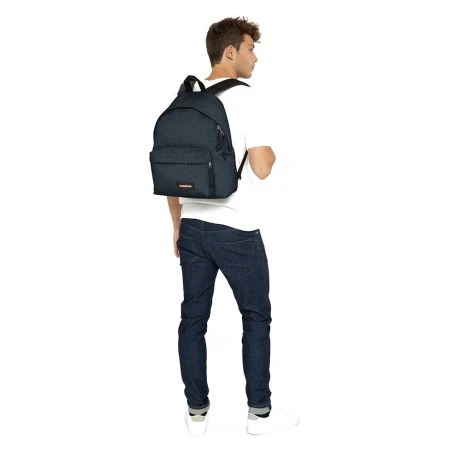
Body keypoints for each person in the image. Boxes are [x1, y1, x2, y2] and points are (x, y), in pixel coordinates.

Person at [166, 17, 299, 435]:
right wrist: (271, 150)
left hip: (192, 226)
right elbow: (262, 168)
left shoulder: (183, 100)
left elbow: (170, 173)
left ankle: (196, 414)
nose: (255, 57)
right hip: (236, 229)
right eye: (250, 49)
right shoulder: (246, 99)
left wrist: (177, 226)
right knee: (256, 317)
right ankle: (259, 414)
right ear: (230, 52)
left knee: (193, 320)